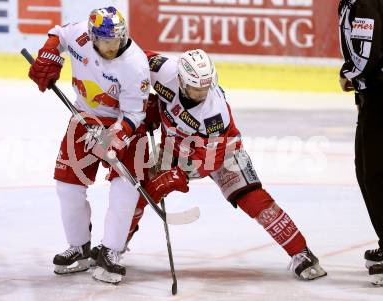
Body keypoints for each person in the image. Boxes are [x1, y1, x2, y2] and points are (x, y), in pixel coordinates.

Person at [91, 49, 328, 280]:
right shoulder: (163, 69)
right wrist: (143, 105)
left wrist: (178, 174)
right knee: (140, 192)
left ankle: (302, 253)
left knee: (252, 198)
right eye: (196, 87)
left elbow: (210, 159)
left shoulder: (215, 112)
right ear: (181, 80)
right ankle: (113, 248)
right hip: (174, 145)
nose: (202, 92)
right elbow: (132, 59)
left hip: (222, 150)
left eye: (206, 86)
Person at [28, 6, 151, 284]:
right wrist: (49, 55)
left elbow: (134, 114)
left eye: (117, 40)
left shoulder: (136, 64)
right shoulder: (80, 34)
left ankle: (111, 252)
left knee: (124, 189)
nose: (112, 46)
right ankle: (80, 248)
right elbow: (58, 34)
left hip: (125, 125)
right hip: (84, 117)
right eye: (106, 41)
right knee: (68, 186)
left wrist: (109, 138)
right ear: (93, 37)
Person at [338, 0, 383, 285]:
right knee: (366, 171)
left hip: (380, 98)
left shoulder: (364, 1)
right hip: (373, 97)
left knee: (375, 175)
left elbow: (367, 56)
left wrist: (347, 75)